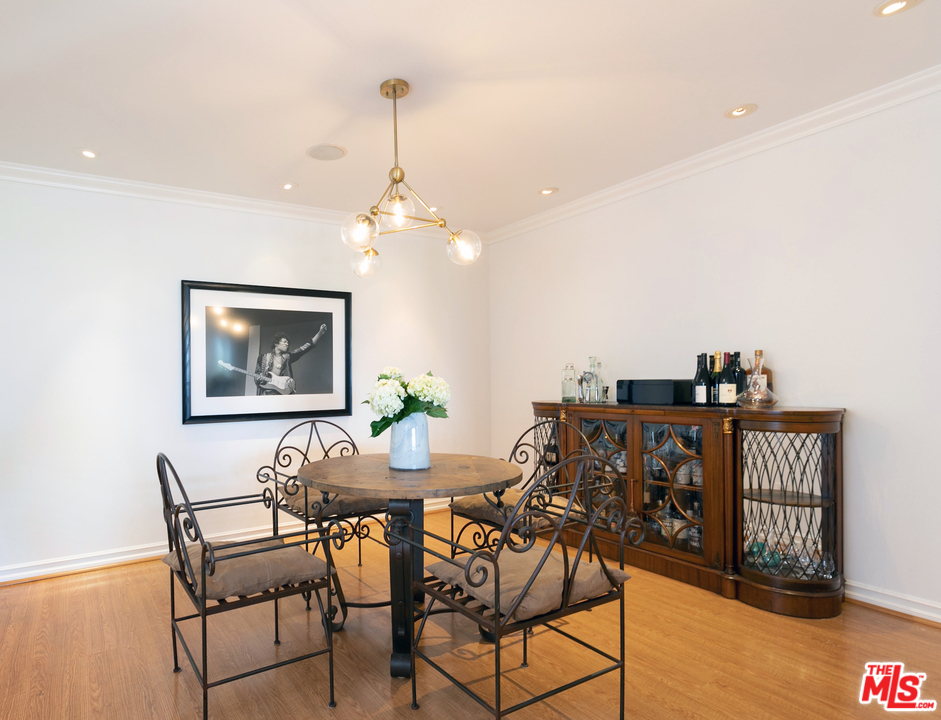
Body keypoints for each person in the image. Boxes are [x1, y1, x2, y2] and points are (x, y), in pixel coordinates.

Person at [254, 324, 327, 395]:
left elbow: (304, 348)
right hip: (266, 394)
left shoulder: (287, 357)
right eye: (284, 342)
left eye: (288, 342)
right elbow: (256, 376)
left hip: (283, 394)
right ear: (276, 343)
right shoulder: (263, 357)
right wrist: (259, 378)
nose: (287, 344)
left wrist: (320, 333)